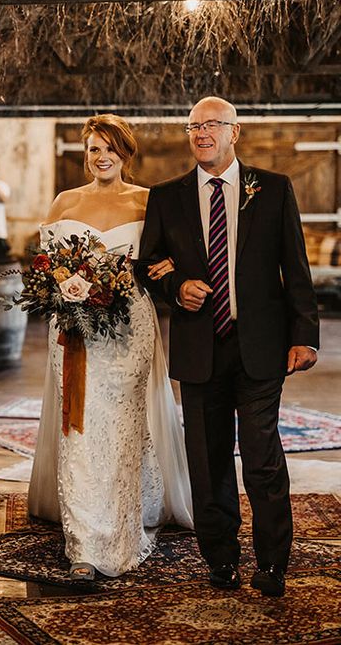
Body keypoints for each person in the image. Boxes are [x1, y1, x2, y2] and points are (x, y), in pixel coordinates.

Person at [139, 96, 319, 597]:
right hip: (200, 348)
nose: (202, 133)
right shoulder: (167, 197)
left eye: (212, 125)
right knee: (207, 457)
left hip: (260, 345)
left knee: (262, 457)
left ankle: (272, 562)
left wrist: (304, 334)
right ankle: (220, 558)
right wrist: (176, 287)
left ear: (234, 132)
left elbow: (295, 267)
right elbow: (148, 261)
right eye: (194, 125)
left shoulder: (274, 189)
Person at [28, 114, 194, 580]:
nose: (102, 158)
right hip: (74, 330)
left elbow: (164, 263)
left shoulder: (148, 201)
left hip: (128, 330)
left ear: (126, 153)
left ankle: (123, 523)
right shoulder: (65, 201)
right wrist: (59, 287)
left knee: (121, 428)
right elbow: (46, 264)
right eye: (94, 149)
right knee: (78, 428)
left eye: (110, 149)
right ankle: (84, 542)